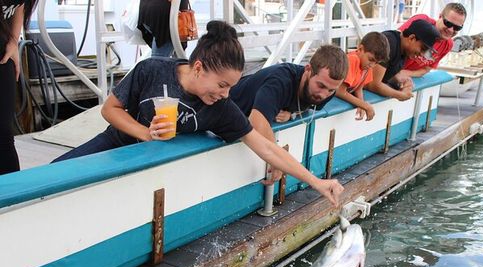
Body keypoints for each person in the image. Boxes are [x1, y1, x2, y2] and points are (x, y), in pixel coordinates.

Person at [52, 21, 343, 207]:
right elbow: (109, 109)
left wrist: (317, 182)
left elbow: (265, 146)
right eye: (222, 85)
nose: (226, 94)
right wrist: (144, 132)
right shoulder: (151, 70)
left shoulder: (220, 109)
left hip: (150, 172)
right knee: (53, 176)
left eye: (231, 87)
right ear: (199, 68)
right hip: (116, 145)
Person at [230, 44, 348, 182]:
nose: (323, 95)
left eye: (331, 90)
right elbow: (257, 122)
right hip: (224, 103)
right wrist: (277, 161)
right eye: (320, 86)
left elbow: (307, 107)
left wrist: (293, 114)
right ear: (308, 69)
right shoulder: (280, 81)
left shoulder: (326, 93)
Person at [0, 0, 38, 175]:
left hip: (3, 52)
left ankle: (13, 197)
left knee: (3, 134)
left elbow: (20, 4)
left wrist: (14, 40)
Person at [364, 19, 439, 102]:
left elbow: (384, 75)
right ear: (412, 38)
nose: (422, 54)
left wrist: (400, 82)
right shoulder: (389, 43)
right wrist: (400, 95)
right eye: (423, 49)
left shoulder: (404, 50)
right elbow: (372, 84)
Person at [397, 2, 467, 78]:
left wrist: (407, 74)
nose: (451, 30)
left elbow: (427, 68)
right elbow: (395, 40)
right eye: (448, 23)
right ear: (440, 16)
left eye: (457, 28)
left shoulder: (448, 45)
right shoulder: (422, 21)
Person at [335, 32, 389, 121]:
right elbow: (340, 91)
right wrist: (364, 105)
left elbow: (358, 88)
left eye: (376, 63)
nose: (372, 65)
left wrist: (361, 104)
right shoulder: (353, 59)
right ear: (360, 49)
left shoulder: (366, 66)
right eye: (371, 59)